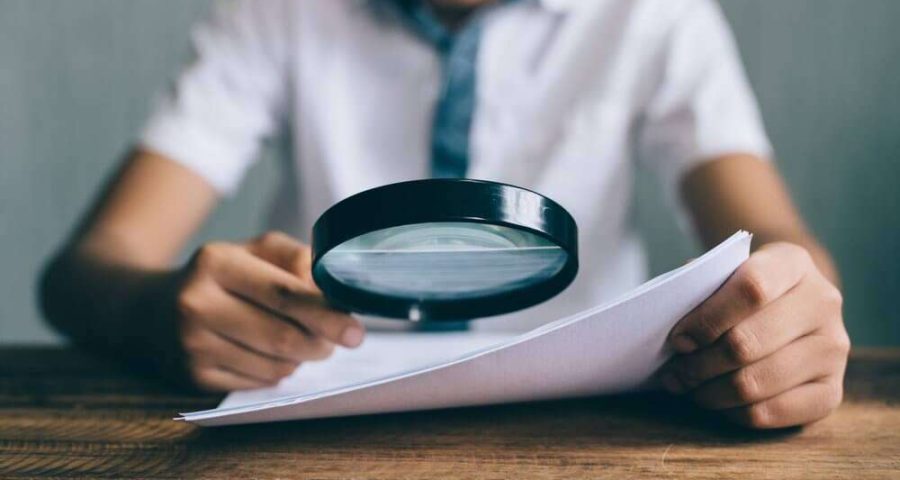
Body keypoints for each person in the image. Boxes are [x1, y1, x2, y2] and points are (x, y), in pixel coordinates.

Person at [39, 0, 848, 429]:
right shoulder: (276, 10)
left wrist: (790, 309)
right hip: (311, 409)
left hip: (590, 427)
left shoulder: (656, 14)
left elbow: (772, 238)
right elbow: (85, 269)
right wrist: (156, 310)